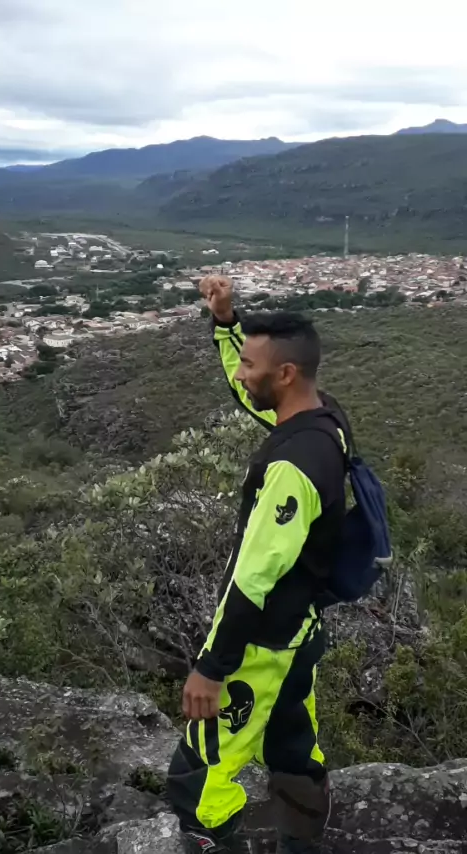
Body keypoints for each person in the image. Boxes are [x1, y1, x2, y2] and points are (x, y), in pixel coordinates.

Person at [167, 275, 349, 854]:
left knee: (200, 780)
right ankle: (303, 843)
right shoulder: (323, 419)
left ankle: (215, 841)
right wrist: (226, 323)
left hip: (262, 645)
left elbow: (251, 579)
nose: (242, 375)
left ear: (286, 374)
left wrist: (211, 668)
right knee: (293, 749)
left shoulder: (294, 467)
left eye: (250, 364)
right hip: (300, 631)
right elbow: (250, 394)